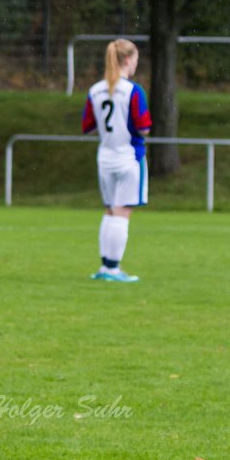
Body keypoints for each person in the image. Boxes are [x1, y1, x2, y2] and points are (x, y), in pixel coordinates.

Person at [82, 38, 152, 282]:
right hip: (128, 157)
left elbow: (88, 127)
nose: (135, 64)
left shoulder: (96, 89)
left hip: (105, 157)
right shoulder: (133, 90)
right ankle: (113, 269)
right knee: (123, 212)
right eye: (135, 60)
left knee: (110, 211)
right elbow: (143, 128)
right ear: (126, 60)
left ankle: (104, 267)